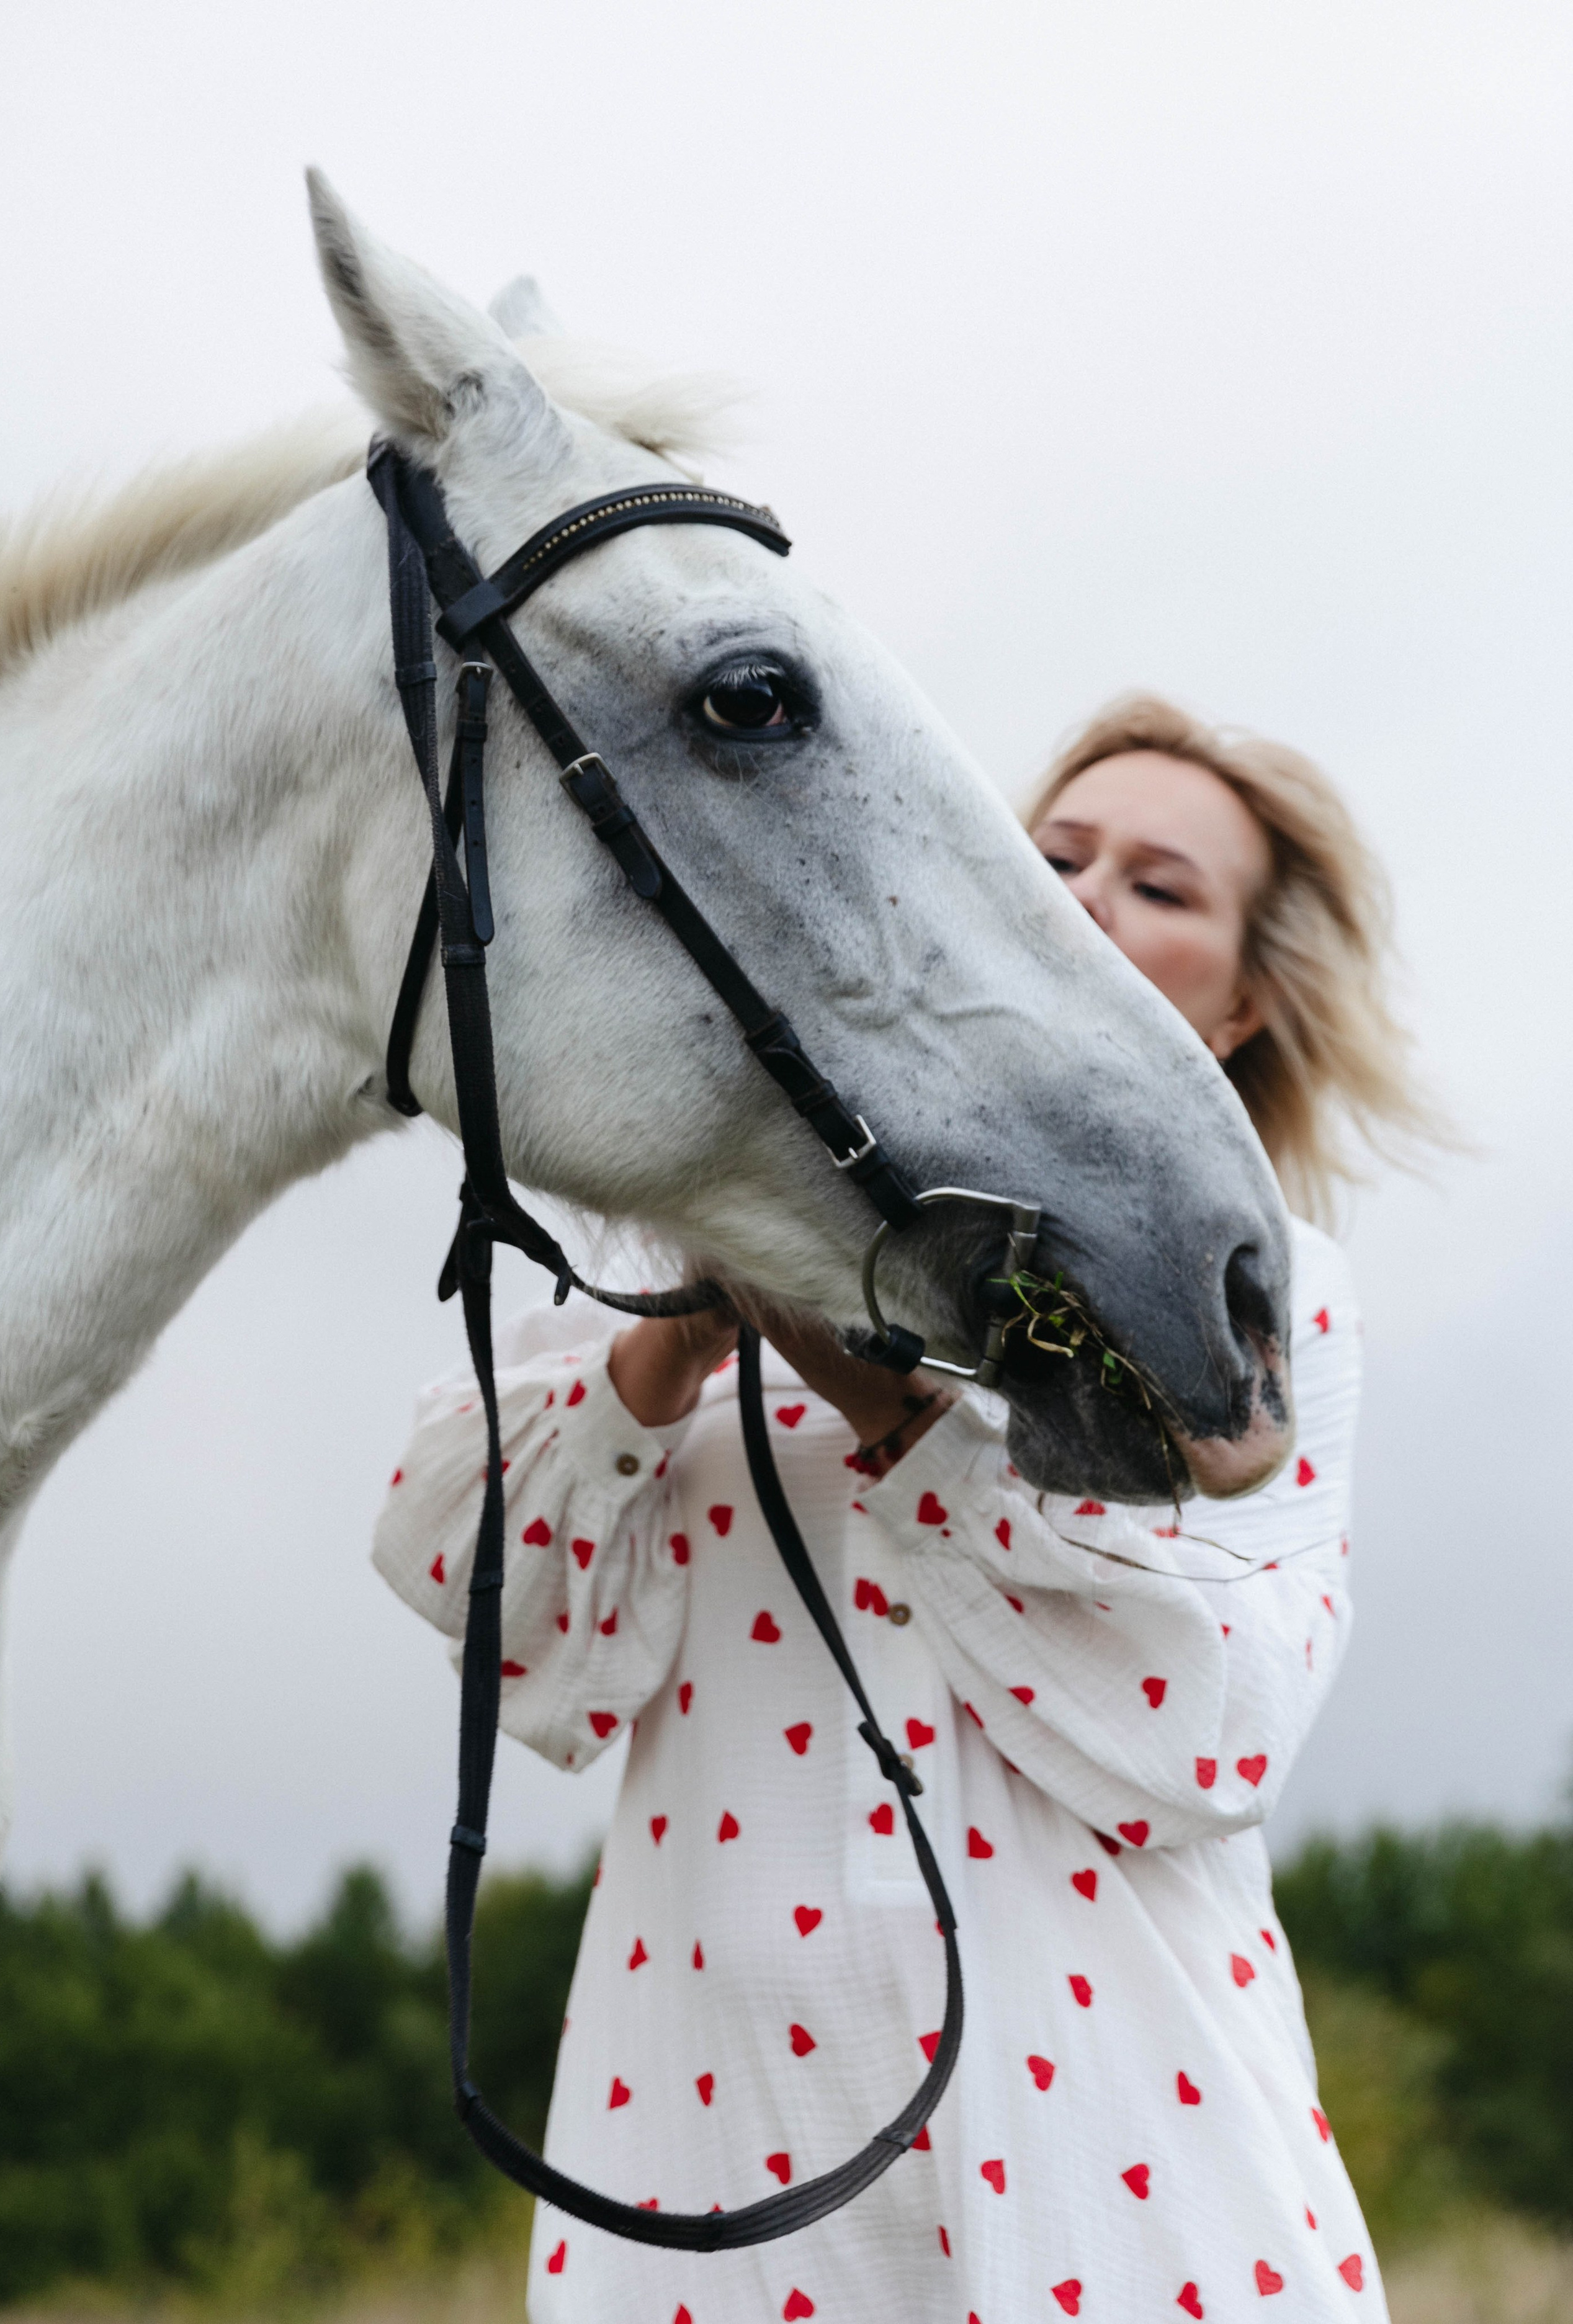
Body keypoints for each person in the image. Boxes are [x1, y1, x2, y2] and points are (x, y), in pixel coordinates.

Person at [374, 692, 1435, 2322]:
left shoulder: (1262, 1309)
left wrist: (881, 1398)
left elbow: (1210, 1724)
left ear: (1240, 1011)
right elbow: (488, 1604)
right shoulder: (700, 1199)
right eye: (1055, 855)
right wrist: (686, 1310)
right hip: (720, 2165)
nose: (1086, 898)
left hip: (1118, 2163)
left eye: (1163, 888)